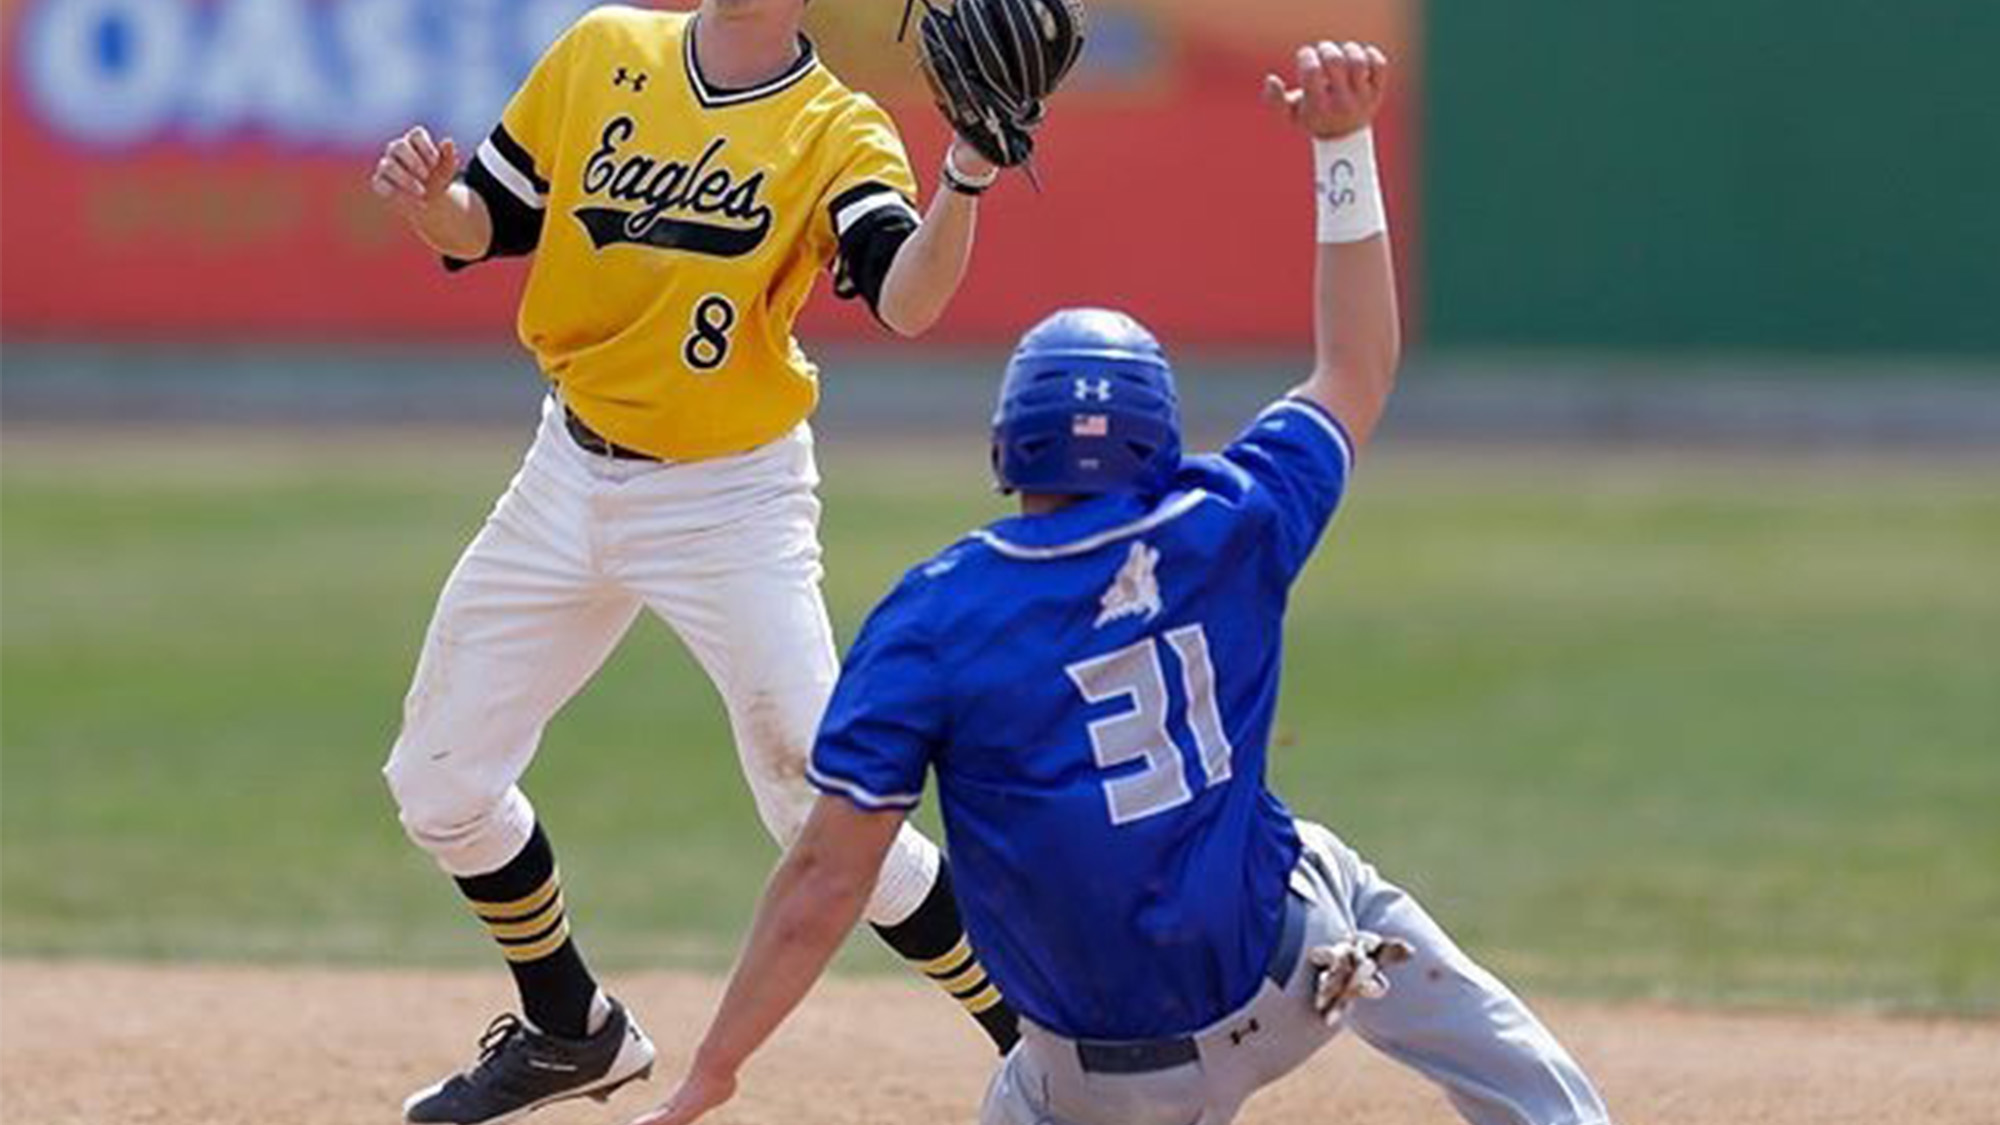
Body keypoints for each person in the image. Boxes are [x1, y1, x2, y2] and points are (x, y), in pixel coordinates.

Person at [633, 38, 1612, 1125]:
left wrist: (716, 1068)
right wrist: (1341, 147)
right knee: (1335, 877)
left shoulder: (936, 614)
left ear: (1008, 446)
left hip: (1105, 1081)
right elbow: (1355, 368)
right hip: (1295, 974)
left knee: (1034, 1084)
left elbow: (826, 877)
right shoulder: (1227, 516)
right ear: (1158, 436)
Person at [366, 3, 1037, 1122]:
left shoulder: (834, 128)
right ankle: (571, 1028)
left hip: (728, 498)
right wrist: (430, 200)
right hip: (566, 470)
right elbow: (483, 220)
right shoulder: (604, 51)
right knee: (437, 784)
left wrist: (964, 175)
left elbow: (908, 300)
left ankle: (1039, 1037)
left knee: (819, 802)